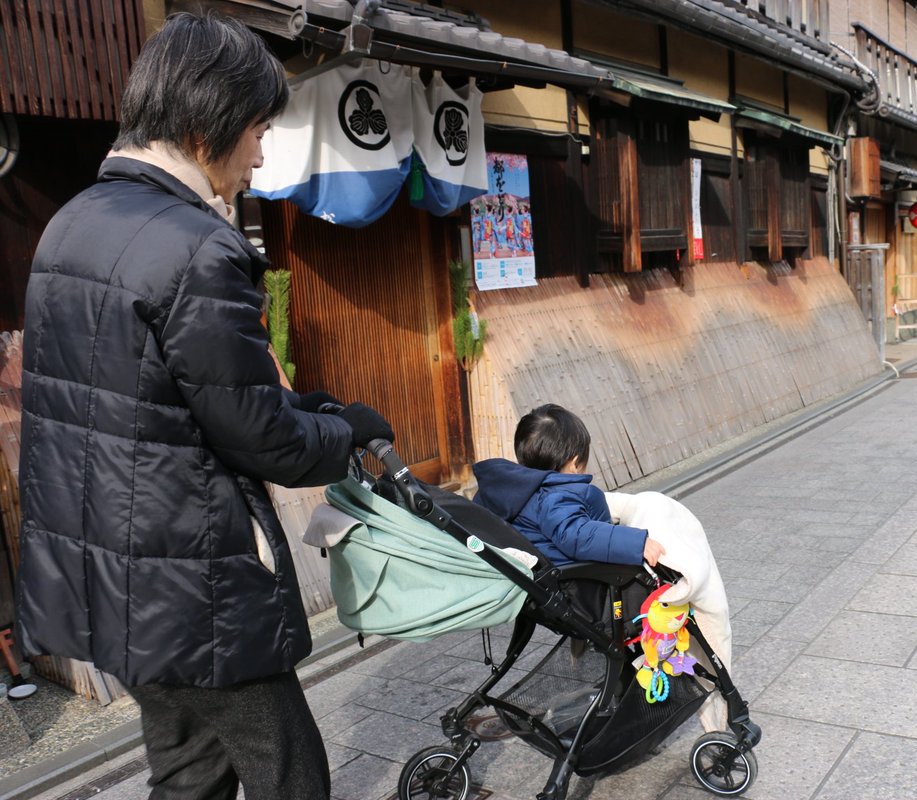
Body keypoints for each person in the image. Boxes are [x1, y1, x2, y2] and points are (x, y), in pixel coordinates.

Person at [16, 14, 395, 799]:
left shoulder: (69, 226)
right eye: (257, 130)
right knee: (290, 772)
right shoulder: (196, 246)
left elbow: (158, 404)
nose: (260, 153)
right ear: (204, 126)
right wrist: (347, 428)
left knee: (189, 774)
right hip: (194, 585)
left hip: (104, 581)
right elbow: (262, 438)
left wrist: (309, 407)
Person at [473, 404, 665, 567]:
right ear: (574, 464)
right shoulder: (555, 497)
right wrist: (636, 543)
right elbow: (576, 534)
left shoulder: (507, 491)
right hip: (581, 585)